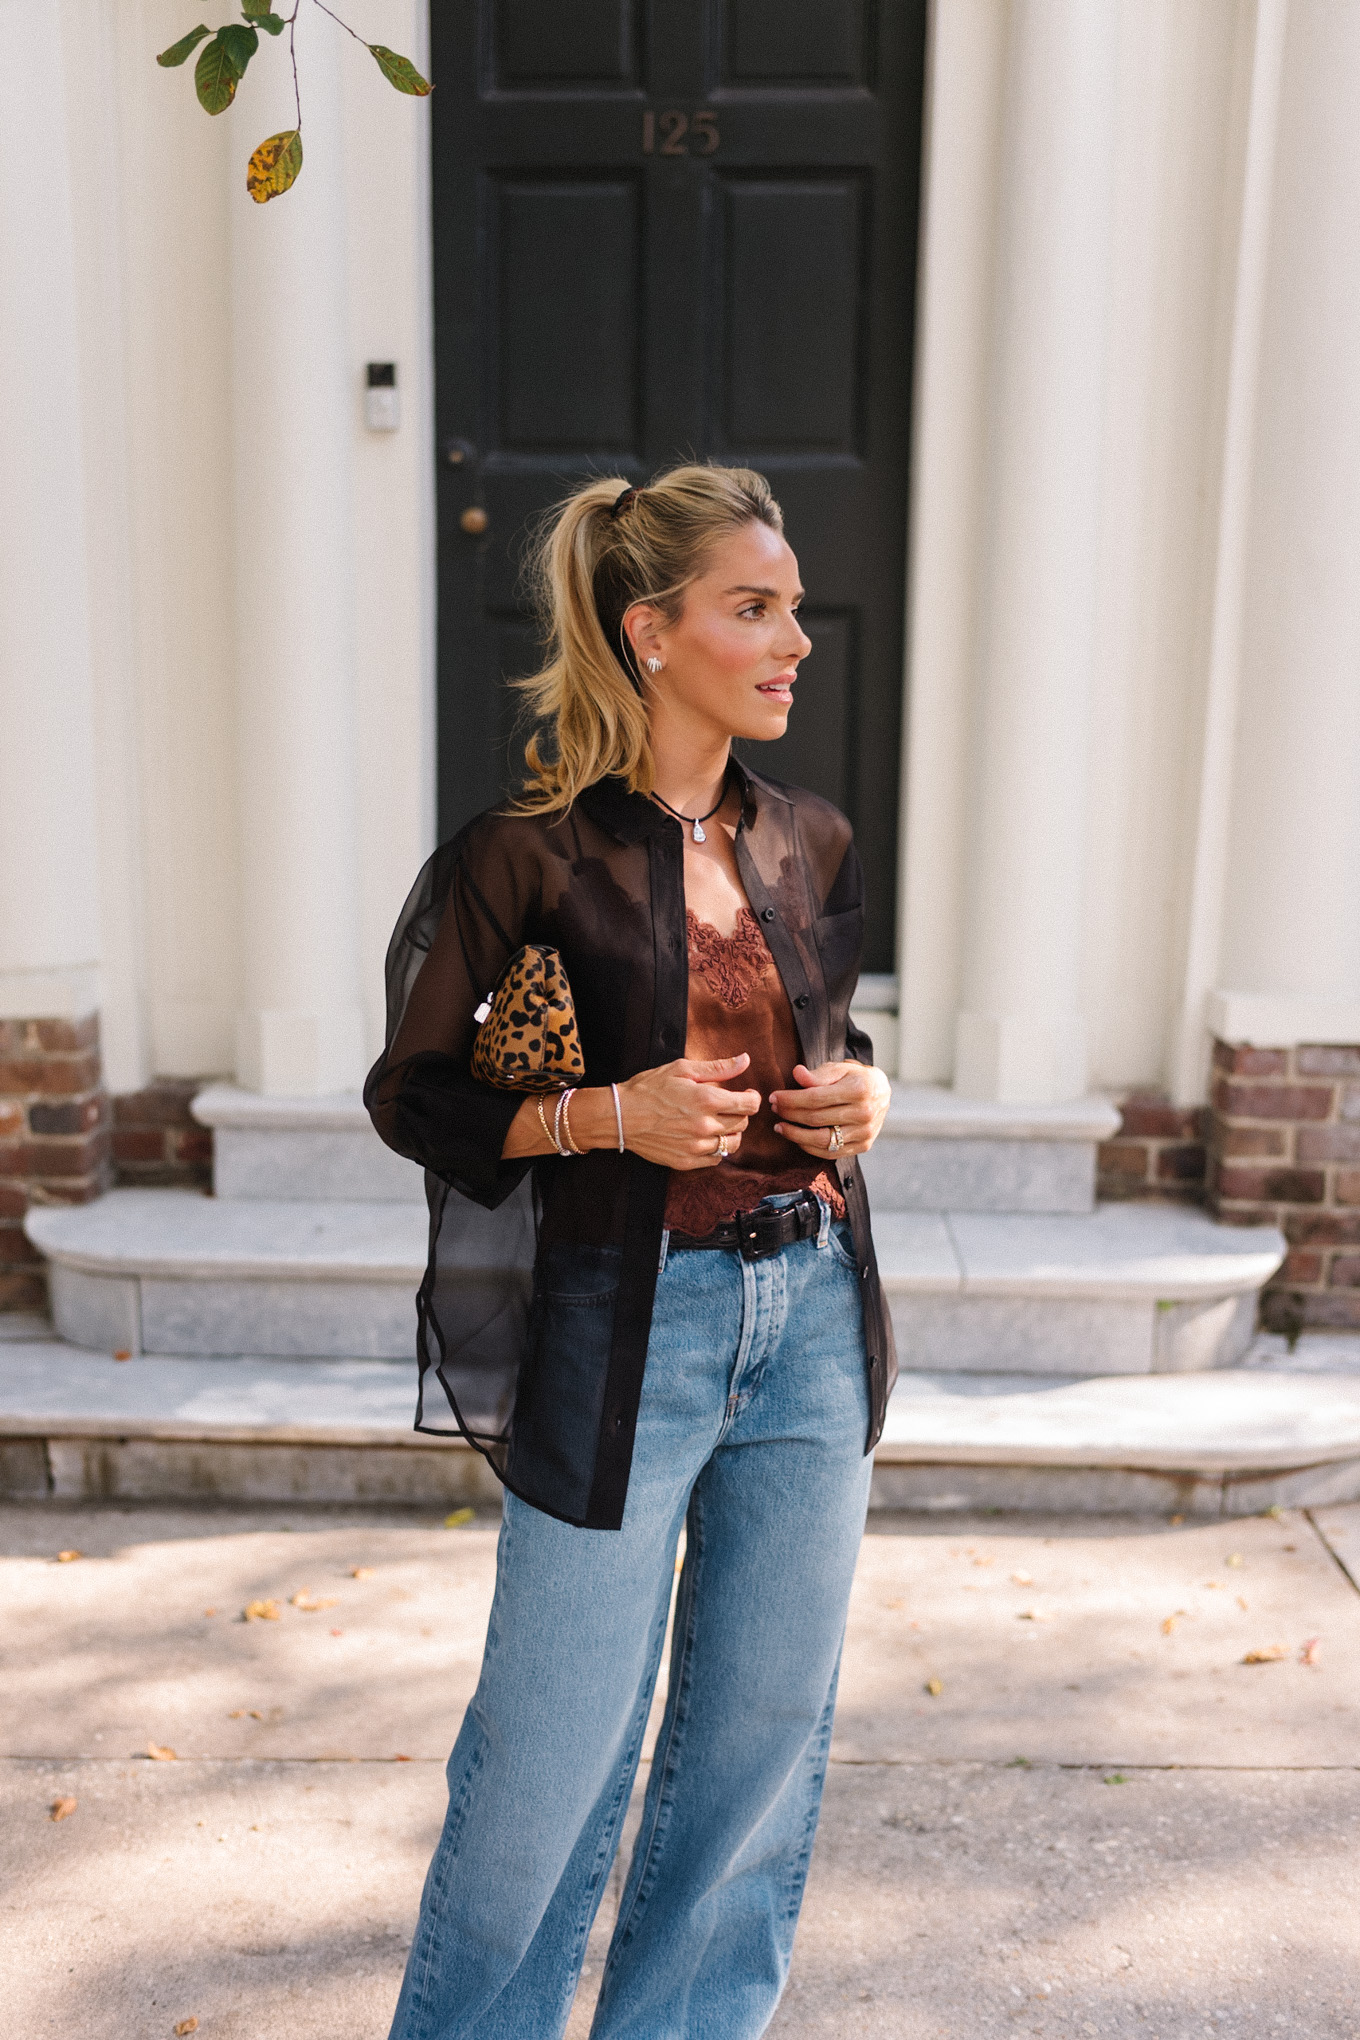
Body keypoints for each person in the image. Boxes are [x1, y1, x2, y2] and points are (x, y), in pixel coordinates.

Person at [366, 463, 895, 2040]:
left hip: (806, 1320)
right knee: (544, 1771)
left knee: (754, 1759)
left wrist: (859, 1096)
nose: (795, 637)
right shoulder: (527, 855)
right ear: (648, 630)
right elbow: (421, 1098)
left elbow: (816, 1050)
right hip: (631, 1339)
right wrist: (608, 1116)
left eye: (792, 606)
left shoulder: (811, 841)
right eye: (755, 607)